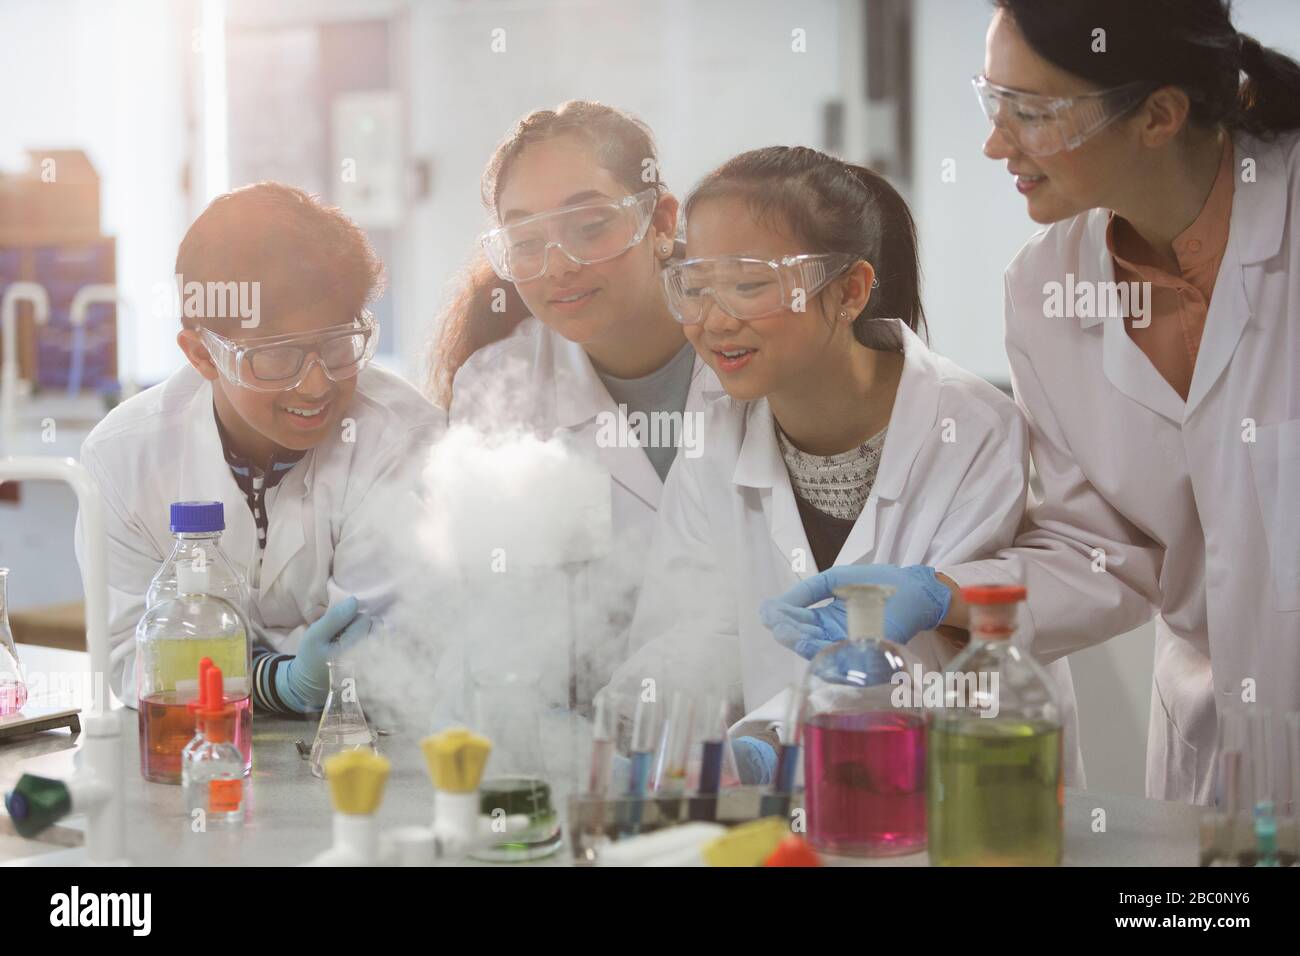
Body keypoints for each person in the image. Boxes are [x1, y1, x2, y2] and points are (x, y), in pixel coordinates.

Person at [766, 0, 1300, 804]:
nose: (994, 142)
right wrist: (944, 592)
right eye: (994, 101)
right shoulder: (1045, 288)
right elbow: (1109, 552)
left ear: (1159, 114)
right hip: (1218, 747)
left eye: (1033, 112)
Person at [604, 146, 1081, 785]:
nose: (713, 321)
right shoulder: (714, 438)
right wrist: (629, 721)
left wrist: (771, 744)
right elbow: (690, 633)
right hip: (798, 808)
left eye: (748, 285)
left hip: (958, 791)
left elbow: (931, 665)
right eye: (694, 287)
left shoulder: (970, 428)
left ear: (850, 290)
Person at [75, 182, 443, 713]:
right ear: (202, 354)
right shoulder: (122, 460)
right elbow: (133, 663)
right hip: (199, 757)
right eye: (276, 357)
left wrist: (206, 651)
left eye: (338, 345)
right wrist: (277, 680)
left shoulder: (403, 439)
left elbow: (379, 657)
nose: (316, 385)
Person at [433, 101, 723, 537]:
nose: (558, 267)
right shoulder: (494, 388)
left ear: (660, 223)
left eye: (589, 226)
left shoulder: (754, 344)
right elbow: (478, 580)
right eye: (527, 241)